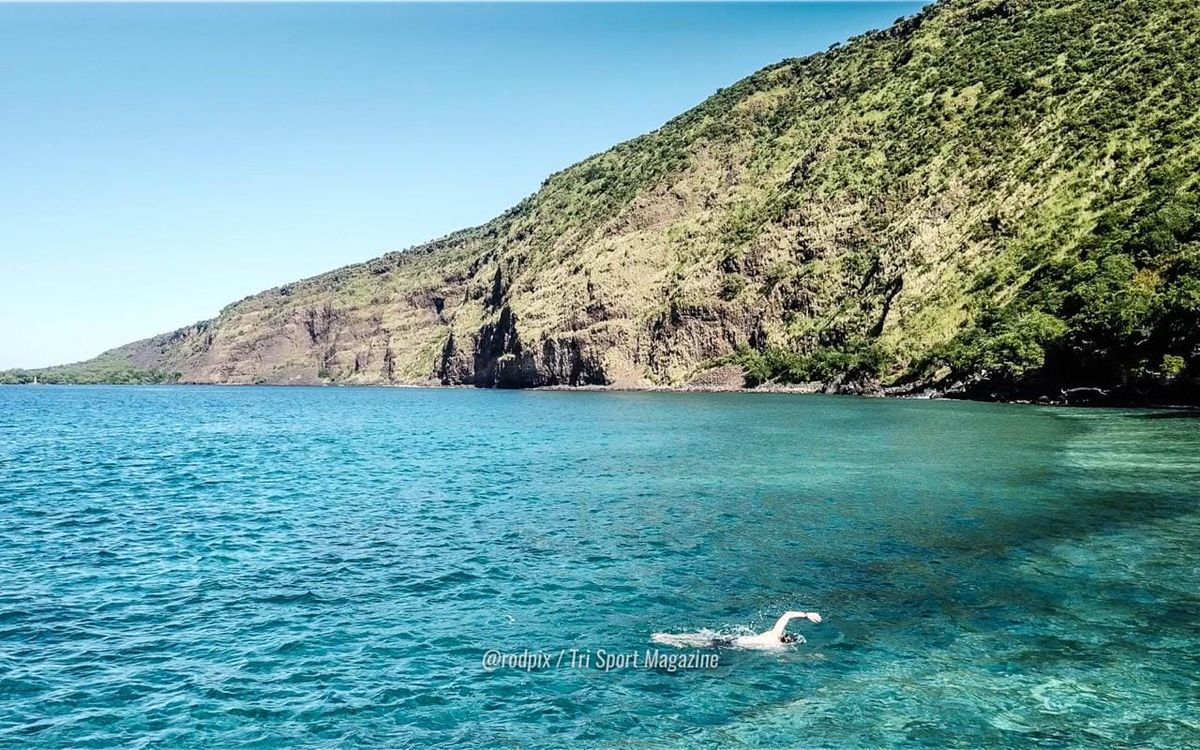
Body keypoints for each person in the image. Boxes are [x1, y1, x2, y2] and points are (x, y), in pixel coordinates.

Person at [734, 610, 822, 649]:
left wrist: (806, 615)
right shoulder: (777, 647)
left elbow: (788, 614)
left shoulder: (775, 633)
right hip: (736, 646)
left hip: (736, 639)